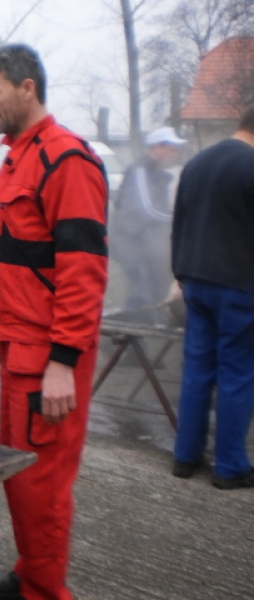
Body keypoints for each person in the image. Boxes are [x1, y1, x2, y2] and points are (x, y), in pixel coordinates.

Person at [0, 44, 109, 600]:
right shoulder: (16, 157)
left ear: (27, 88)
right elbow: (15, 259)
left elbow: (83, 271)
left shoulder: (66, 160)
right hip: (20, 351)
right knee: (22, 478)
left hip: (51, 361)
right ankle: (33, 573)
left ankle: (46, 592)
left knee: (44, 486)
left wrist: (64, 362)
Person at [170, 106, 254, 490]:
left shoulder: (197, 163)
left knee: (198, 370)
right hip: (238, 286)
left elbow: (180, 221)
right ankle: (230, 467)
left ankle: (185, 457)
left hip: (195, 281)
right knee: (236, 375)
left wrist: (180, 273)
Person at [109, 126, 185, 313]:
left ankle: (151, 327)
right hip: (130, 241)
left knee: (158, 287)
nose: (174, 153)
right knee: (141, 290)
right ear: (157, 147)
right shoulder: (140, 170)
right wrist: (179, 218)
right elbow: (147, 209)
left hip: (147, 242)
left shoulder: (160, 175)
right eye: (171, 148)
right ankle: (133, 329)